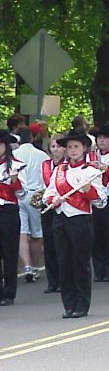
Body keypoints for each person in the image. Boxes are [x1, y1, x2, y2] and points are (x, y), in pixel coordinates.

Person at [43, 130, 108, 318]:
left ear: (84, 148)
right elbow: (48, 193)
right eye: (70, 147)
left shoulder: (92, 171)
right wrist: (53, 199)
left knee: (80, 263)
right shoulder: (58, 170)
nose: (72, 150)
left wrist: (89, 191)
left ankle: (82, 304)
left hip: (80, 220)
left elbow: (102, 201)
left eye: (76, 147)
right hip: (60, 220)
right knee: (64, 262)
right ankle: (68, 304)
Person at [14, 127, 50, 283]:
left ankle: (27, 265)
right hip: (36, 194)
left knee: (22, 232)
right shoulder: (41, 155)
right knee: (37, 234)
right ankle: (34, 267)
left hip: (18, 193)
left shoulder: (14, 155)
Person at [91, 125, 109, 282]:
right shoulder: (91, 156)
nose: (101, 141)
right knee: (96, 235)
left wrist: (106, 169)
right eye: (99, 138)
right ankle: (98, 270)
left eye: (104, 138)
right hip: (94, 199)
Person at [0, 130, 27, 306]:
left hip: (8, 211)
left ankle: (9, 292)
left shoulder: (17, 165)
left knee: (9, 253)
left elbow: (23, 194)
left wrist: (14, 180)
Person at [40, 134, 66, 293]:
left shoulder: (67, 165)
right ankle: (52, 281)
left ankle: (64, 279)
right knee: (49, 243)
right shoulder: (45, 165)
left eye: (58, 146)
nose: (55, 150)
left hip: (63, 206)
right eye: (53, 146)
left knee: (62, 245)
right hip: (47, 205)